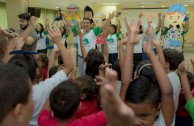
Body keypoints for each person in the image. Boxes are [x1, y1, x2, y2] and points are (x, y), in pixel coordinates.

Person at [8, 29, 73, 126]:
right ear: (37, 71)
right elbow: (69, 67)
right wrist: (59, 42)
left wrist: (17, 48)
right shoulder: (45, 88)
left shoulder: (8, 92)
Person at [121, 18, 174, 126]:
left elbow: (167, 92)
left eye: (144, 116)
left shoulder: (162, 123)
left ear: (158, 109)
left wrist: (150, 53)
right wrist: (130, 45)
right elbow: (125, 83)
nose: (136, 122)